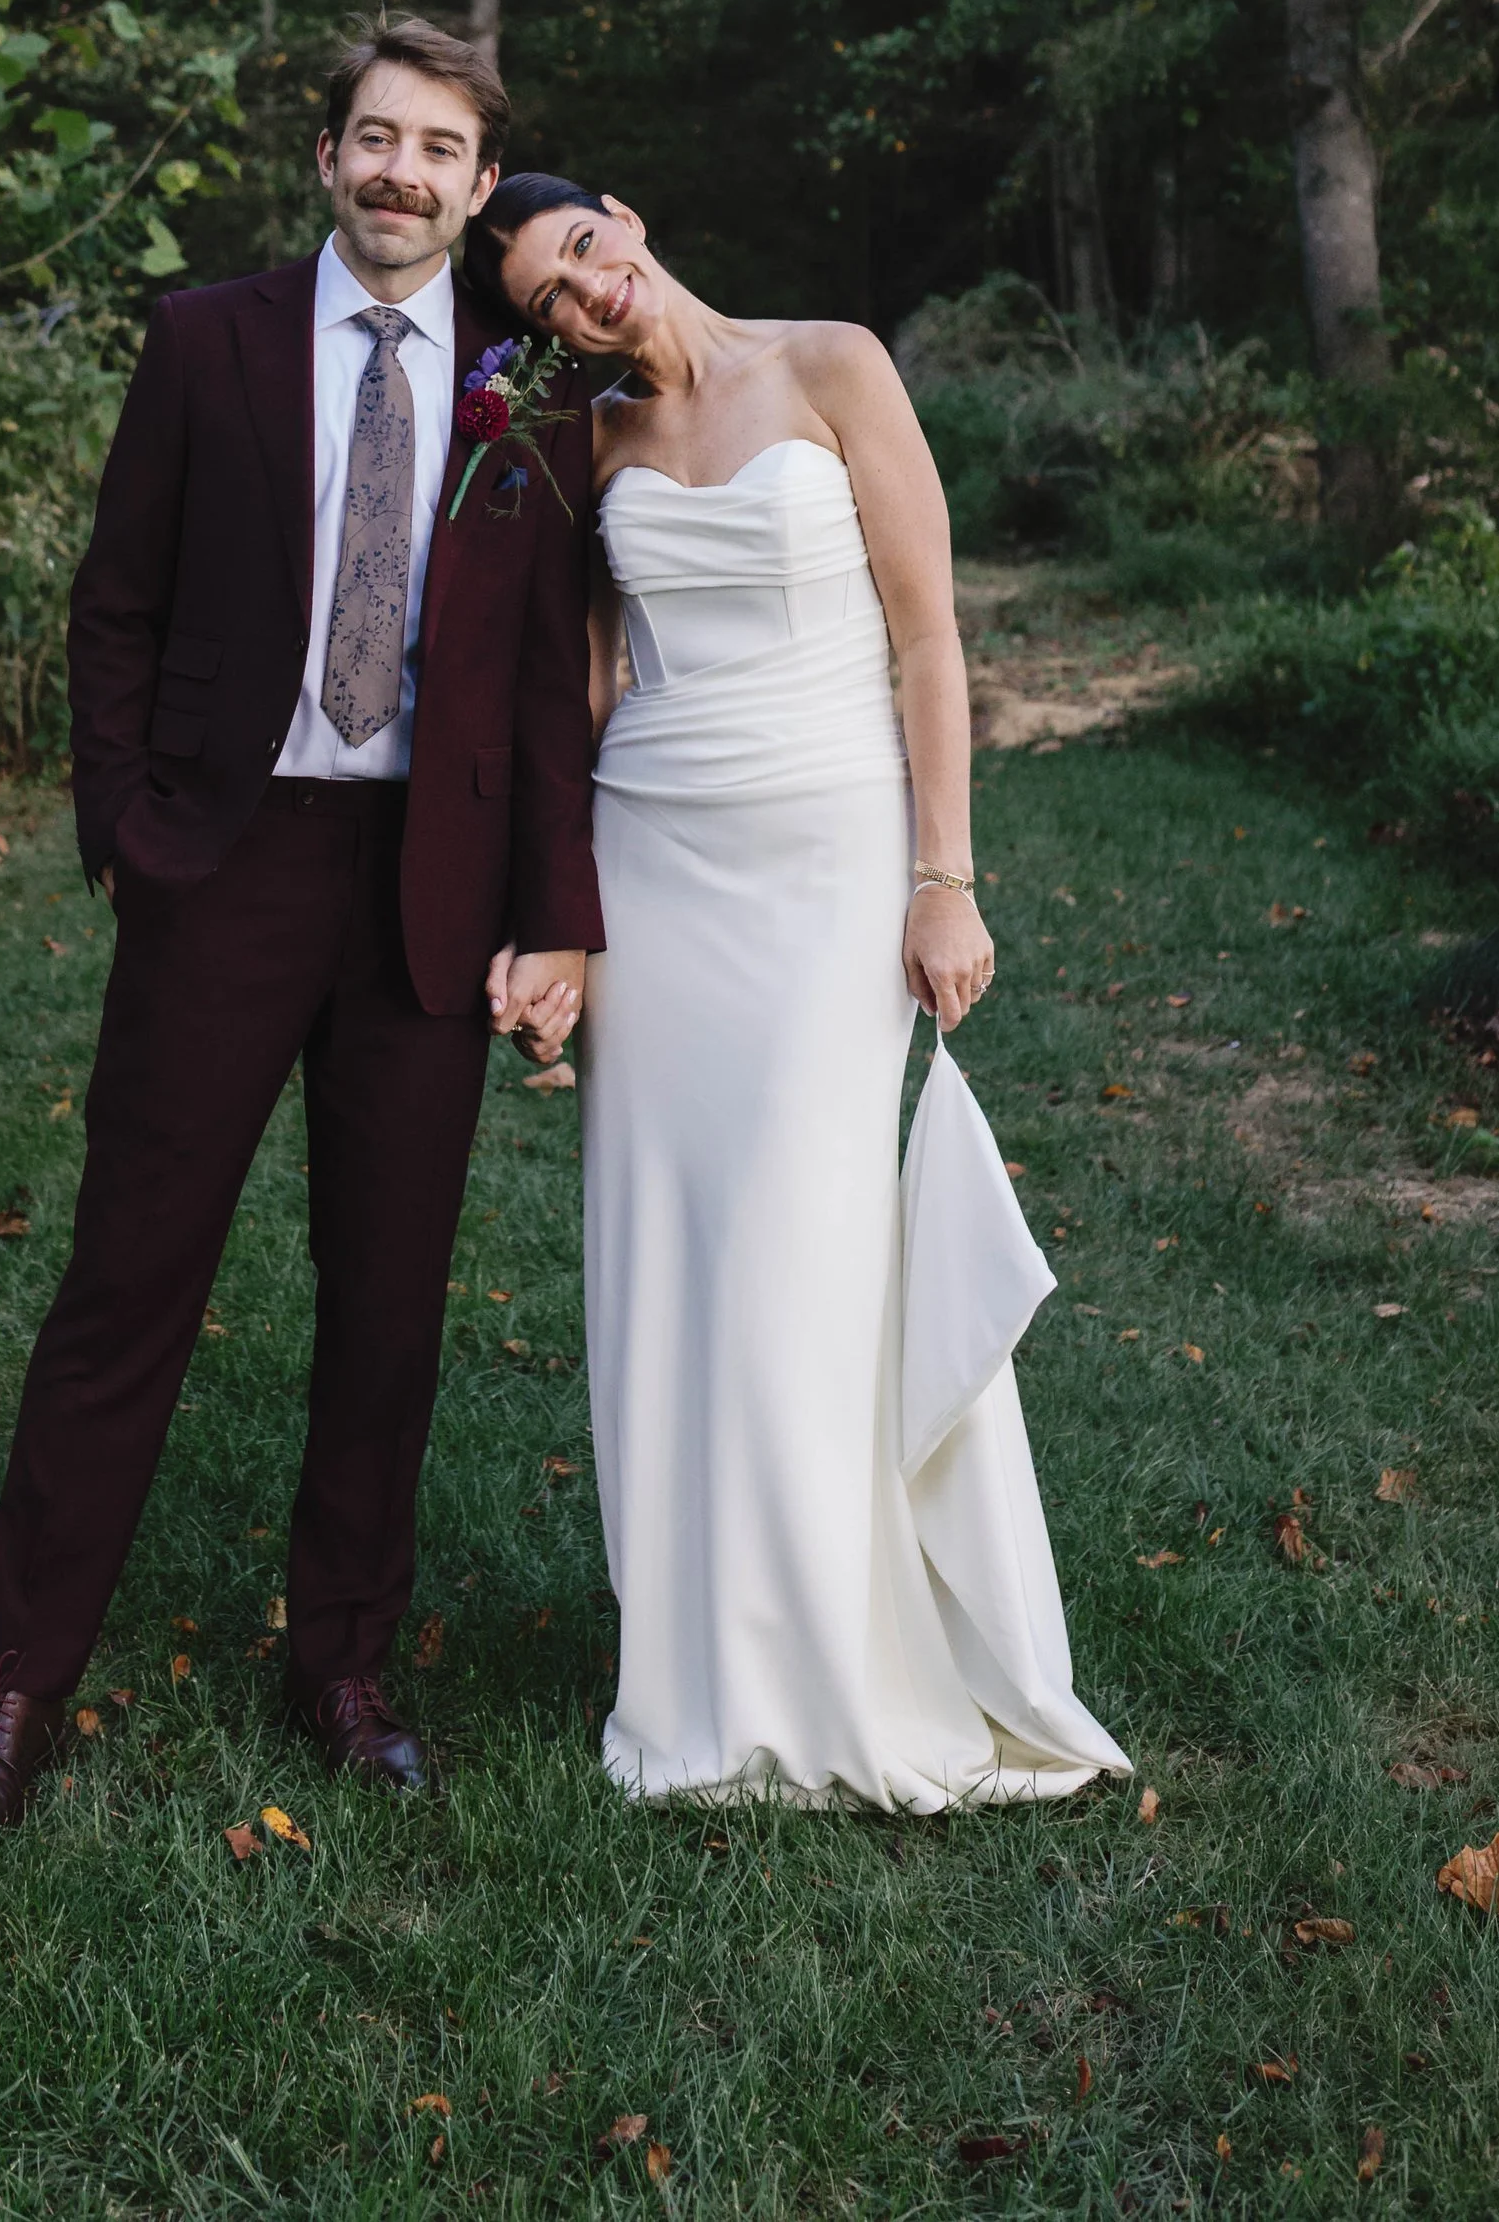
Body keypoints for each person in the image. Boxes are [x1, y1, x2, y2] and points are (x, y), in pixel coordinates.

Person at [0, 26, 600, 1843]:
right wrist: (128, 833)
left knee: (387, 1299)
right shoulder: (204, 338)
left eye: (438, 148)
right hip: (226, 860)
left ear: (474, 184)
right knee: (127, 1281)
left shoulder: (525, 383)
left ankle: (343, 1663)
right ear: (325, 157)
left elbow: (544, 684)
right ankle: (19, 1685)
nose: (401, 171)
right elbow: (114, 601)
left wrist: (558, 916)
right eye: (375, 137)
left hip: (424, 890)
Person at [464, 174, 1127, 1812]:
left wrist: (942, 872)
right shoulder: (593, 446)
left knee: (807, 1243)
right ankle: (698, 1661)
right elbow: (593, 683)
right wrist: (562, 922)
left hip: (832, 857)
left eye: (587, 250)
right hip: (657, 863)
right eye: (550, 296)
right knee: (676, 1249)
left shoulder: (833, 364)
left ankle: (846, 1647)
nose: (589, 294)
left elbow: (926, 636)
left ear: (630, 215)